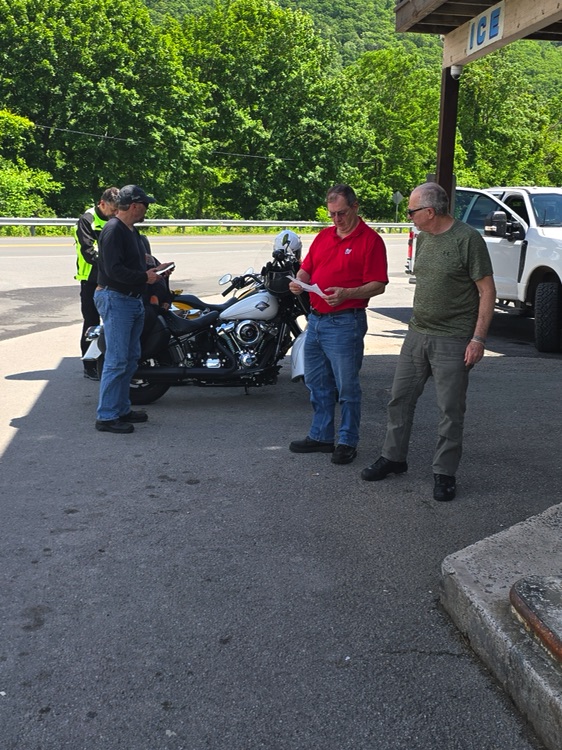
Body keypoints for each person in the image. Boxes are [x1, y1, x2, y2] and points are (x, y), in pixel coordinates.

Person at [360, 181, 496, 501]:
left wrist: (478, 338)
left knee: (450, 409)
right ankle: (393, 458)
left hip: (453, 338)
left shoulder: (467, 239)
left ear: (430, 212)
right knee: (399, 398)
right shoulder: (422, 238)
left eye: (412, 211)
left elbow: (487, 290)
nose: (409, 215)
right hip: (417, 333)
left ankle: (444, 473)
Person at [289, 184, 388, 464]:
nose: (336, 219)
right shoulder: (325, 236)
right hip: (316, 320)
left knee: (346, 386)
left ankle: (347, 440)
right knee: (316, 382)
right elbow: (307, 267)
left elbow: (378, 284)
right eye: (331, 214)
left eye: (341, 213)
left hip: (346, 321)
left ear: (355, 207)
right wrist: (299, 281)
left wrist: (347, 293)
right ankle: (321, 436)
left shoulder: (370, 240)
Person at [94, 185, 173, 434]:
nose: (147, 210)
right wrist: (144, 277)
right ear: (135, 205)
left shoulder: (131, 231)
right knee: (116, 360)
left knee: (129, 359)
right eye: (145, 205)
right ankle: (106, 417)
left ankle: (121, 409)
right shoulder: (113, 230)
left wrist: (155, 270)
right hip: (116, 298)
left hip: (131, 300)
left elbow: (134, 265)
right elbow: (113, 270)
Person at [73, 187, 119, 380]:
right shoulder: (87, 220)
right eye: (113, 209)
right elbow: (89, 251)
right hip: (91, 279)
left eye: (118, 210)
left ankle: (108, 359)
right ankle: (89, 365)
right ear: (102, 204)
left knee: (114, 321)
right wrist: (114, 264)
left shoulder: (114, 219)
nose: (115, 213)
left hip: (111, 278)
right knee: (91, 322)